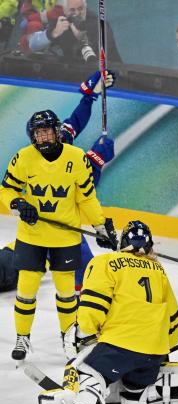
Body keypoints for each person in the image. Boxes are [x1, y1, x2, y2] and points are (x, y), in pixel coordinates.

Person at [37, 220, 178, 404]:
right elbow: (172, 315)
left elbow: (93, 304)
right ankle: (139, 392)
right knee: (130, 382)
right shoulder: (158, 270)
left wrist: (84, 331)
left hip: (121, 347)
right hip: (154, 353)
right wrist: (166, 349)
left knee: (84, 370)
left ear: (122, 243)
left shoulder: (106, 262)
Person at [0, 108, 118, 361]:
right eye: (38, 133)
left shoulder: (77, 158)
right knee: (25, 291)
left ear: (56, 133)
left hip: (65, 238)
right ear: (33, 136)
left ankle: (69, 338)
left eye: (47, 132)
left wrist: (100, 226)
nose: (43, 137)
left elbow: (86, 197)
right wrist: (18, 204)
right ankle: (23, 337)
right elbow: (6, 190)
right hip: (31, 237)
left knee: (66, 294)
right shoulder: (23, 158)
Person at [0, 68, 115, 296]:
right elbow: (82, 188)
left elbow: (75, 121)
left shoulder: (60, 142)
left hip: (55, 230)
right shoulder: (36, 157)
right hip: (47, 229)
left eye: (53, 132)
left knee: (80, 272)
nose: (55, 136)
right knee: (86, 277)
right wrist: (97, 159)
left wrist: (89, 95)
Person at [28, 0, 122, 63]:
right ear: (64, 10)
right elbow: (32, 45)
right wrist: (53, 33)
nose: (77, 13)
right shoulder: (61, 22)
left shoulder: (99, 25)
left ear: (86, 8)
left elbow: (105, 60)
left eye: (80, 9)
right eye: (72, 10)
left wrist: (83, 39)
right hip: (71, 74)